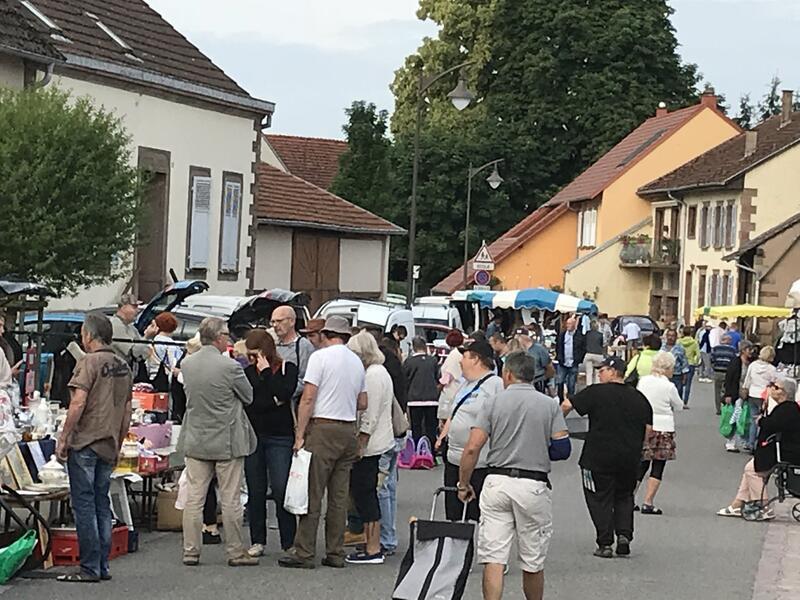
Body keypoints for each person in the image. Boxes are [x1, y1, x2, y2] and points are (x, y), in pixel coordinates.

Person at [458, 352, 570, 600]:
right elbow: (563, 449)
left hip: (497, 481)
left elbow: (473, 447)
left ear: (508, 373)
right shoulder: (549, 404)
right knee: (532, 559)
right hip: (533, 483)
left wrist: (463, 483)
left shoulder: (492, 403)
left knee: (494, 557)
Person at [280, 316, 365, 569]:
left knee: (312, 493)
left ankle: (305, 552)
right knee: (338, 498)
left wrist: (299, 434)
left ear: (326, 334)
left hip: (323, 428)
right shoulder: (356, 361)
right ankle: (335, 552)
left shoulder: (320, 358)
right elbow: (363, 402)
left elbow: (308, 398)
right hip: (347, 429)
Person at [53, 314, 132, 583]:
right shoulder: (123, 365)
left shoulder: (89, 362)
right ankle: (102, 565)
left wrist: (63, 438)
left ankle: (89, 567)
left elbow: (78, 403)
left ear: (89, 335)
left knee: (84, 504)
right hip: (109, 442)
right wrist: (119, 441)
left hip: (86, 440)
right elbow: (126, 410)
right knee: (101, 502)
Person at [177, 317, 257, 567]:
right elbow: (248, 396)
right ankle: (235, 551)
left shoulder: (187, 364)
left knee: (194, 498)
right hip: (227, 438)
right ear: (220, 337)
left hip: (196, 437)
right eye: (226, 335)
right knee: (231, 497)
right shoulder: (230, 367)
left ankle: (190, 550)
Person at [561, 356, 653, 558]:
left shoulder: (596, 392)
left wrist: (556, 426)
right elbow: (648, 428)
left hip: (597, 456)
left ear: (613, 371)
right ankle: (624, 535)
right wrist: (642, 447)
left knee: (598, 497)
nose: (599, 373)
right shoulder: (639, 397)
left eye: (602, 370)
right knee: (624, 495)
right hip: (629, 458)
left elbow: (567, 405)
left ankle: (605, 542)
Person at [241, 329, 298, 557]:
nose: (251, 360)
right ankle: (257, 540)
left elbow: (284, 393)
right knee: (255, 490)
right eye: (249, 355)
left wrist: (267, 375)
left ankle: (289, 541)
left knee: (281, 488)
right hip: (254, 435)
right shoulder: (245, 372)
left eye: (255, 355)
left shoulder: (287, 369)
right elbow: (251, 402)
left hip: (280, 437)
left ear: (266, 353)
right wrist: (273, 399)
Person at [436, 341, 504, 521]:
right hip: (454, 461)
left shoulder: (495, 385)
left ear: (476, 359)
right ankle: (460, 550)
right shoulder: (464, 384)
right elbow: (455, 413)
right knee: (455, 520)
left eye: (464, 357)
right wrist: (443, 436)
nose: (460, 361)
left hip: (479, 465)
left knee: (480, 518)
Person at [717, 377, 800, 520]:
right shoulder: (787, 408)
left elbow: (772, 425)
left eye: (775, 386)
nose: (771, 388)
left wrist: (761, 420)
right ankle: (737, 505)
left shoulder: (787, 409)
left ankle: (764, 506)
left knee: (752, 470)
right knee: (749, 469)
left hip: (784, 452)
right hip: (780, 449)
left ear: (783, 392)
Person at [345, 332, 394, 565]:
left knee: (366, 494)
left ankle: (373, 547)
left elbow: (369, 415)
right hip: (379, 441)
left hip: (371, 445)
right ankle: (371, 543)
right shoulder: (379, 372)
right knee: (367, 493)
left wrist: (360, 443)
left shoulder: (373, 376)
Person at [635, 352, 683, 515]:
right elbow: (679, 405)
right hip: (663, 427)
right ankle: (648, 502)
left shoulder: (643, 381)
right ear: (668, 368)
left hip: (644, 425)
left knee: (641, 463)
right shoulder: (669, 386)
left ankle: (629, 497)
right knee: (658, 465)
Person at [374, 334, 407, 557]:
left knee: (382, 488)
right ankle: (390, 535)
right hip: (399, 430)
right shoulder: (396, 368)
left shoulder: (379, 373)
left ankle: (386, 537)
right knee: (391, 487)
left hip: (385, 435)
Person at [271, 306, 315, 407]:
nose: (275, 325)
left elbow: (306, 379)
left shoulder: (304, 346)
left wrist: (284, 394)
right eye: (273, 322)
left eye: (279, 321)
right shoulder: (273, 346)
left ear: (292, 321)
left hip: (293, 405)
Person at [403, 336, 441, 446]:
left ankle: (416, 451)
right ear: (425, 346)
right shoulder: (433, 360)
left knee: (416, 427)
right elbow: (437, 377)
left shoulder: (409, 362)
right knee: (431, 428)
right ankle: (431, 453)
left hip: (414, 400)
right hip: (432, 399)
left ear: (414, 347)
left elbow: (405, 380)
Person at [743, 345, 778, 451]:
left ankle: (750, 442)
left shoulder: (753, 365)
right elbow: (774, 382)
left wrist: (745, 389)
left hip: (753, 393)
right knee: (762, 420)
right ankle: (760, 443)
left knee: (753, 420)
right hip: (764, 395)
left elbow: (747, 379)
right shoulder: (772, 369)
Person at [109, 294, 157, 369]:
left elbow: (144, 353)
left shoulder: (131, 327)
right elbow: (134, 353)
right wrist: (147, 337)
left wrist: (146, 339)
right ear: (123, 307)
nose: (138, 310)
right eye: (134, 307)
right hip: (117, 372)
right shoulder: (115, 325)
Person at [722, 341, 754, 452]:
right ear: (743, 350)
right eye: (749, 349)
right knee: (735, 416)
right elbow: (729, 379)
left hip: (747, 393)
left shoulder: (750, 363)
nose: (751, 352)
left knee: (745, 418)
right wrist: (728, 394)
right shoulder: (735, 362)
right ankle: (730, 442)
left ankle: (745, 441)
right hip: (736, 392)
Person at [145, 312, 182, 391]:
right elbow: (175, 363)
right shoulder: (172, 345)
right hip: (166, 379)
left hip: (151, 378)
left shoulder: (152, 342)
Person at [555, 316, 585, 402]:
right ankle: (561, 399)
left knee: (571, 384)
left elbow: (582, 348)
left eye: (570, 324)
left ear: (574, 325)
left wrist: (579, 359)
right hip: (563, 362)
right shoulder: (562, 335)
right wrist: (559, 357)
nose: (568, 325)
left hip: (573, 362)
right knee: (560, 381)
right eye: (567, 323)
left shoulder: (579, 335)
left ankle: (570, 401)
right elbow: (558, 346)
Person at [516, 328, 555, 394]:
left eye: (518, 337)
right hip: (522, 384)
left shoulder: (539, 349)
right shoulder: (517, 350)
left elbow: (549, 368)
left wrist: (545, 380)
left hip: (538, 382)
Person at [438, 330, 464, 423]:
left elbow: (446, 377)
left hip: (450, 392)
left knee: (446, 423)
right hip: (462, 389)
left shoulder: (453, 356)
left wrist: (438, 388)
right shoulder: (463, 354)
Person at [710, 334, 738, 415]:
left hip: (718, 372)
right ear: (728, 340)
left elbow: (712, 359)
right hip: (728, 373)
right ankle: (726, 406)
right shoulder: (732, 350)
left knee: (717, 391)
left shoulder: (716, 348)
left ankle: (718, 409)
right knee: (727, 390)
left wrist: (714, 367)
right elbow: (734, 361)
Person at [661, 328, 688, 398]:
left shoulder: (680, 348)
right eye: (669, 335)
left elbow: (684, 363)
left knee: (677, 395)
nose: (670, 338)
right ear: (666, 336)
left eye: (673, 336)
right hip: (664, 375)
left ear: (676, 337)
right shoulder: (661, 348)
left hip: (676, 375)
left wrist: (685, 377)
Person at [678, 326, 701, 408]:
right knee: (688, 384)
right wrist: (695, 361)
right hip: (690, 363)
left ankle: (679, 400)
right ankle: (685, 402)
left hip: (680, 364)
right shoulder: (694, 342)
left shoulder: (679, 342)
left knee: (679, 382)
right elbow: (698, 355)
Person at [583, 320, 606, 386]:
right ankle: (597, 386)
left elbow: (584, 343)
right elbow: (602, 345)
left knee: (589, 373)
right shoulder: (600, 335)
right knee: (597, 372)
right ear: (597, 327)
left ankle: (589, 387)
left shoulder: (587, 334)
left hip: (589, 353)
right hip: (598, 354)